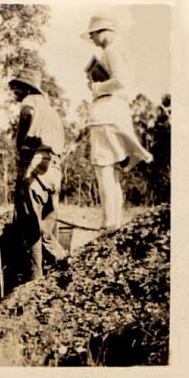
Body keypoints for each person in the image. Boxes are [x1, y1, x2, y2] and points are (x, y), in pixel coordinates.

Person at [81, 15, 153, 230]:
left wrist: (97, 87)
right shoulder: (117, 51)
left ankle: (110, 221)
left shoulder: (111, 51)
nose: (92, 39)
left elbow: (121, 80)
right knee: (111, 171)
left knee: (103, 168)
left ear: (102, 31)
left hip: (106, 111)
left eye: (93, 34)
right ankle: (113, 221)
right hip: (114, 110)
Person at [8, 68, 68, 281]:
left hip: (36, 168)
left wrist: (21, 147)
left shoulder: (29, 104)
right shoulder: (51, 110)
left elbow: (26, 125)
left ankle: (39, 275)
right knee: (46, 224)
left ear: (25, 88)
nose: (13, 91)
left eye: (16, 87)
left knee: (31, 226)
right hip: (54, 170)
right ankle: (56, 269)